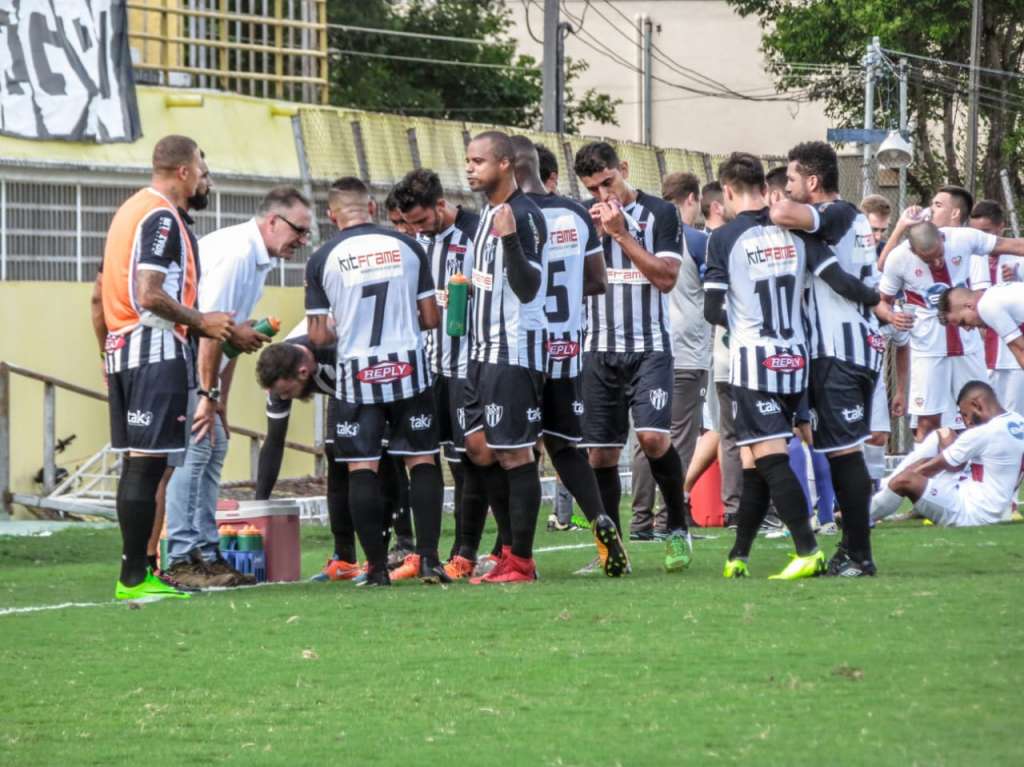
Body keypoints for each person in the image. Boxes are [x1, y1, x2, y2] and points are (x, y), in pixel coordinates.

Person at [705, 152, 881, 580]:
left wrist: (743, 323)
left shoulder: (725, 237)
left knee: (769, 459)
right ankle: (739, 553)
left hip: (754, 359)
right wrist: (881, 303)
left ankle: (807, 547)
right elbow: (836, 277)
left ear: (727, 191)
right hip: (799, 360)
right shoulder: (794, 232)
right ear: (766, 190)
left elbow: (713, 308)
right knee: (756, 460)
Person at [769, 140, 912, 576]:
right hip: (838, 351)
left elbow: (781, 214)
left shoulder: (836, 213)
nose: (786, 188)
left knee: (846, 454)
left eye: (791, 179)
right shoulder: (838, 223)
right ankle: (849, 548)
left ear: (812, 181)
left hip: (843, 352)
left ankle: (860, 554)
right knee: (837, 452)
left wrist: (778, 207)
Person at [101, 134, 234, 600]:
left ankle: (139, 571)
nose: (204, 178)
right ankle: (134, 577)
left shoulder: (131, 209)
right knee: (147, 468)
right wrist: (204, 321)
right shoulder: (161, 216)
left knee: (145, 466)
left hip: (125, 349)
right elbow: (149, 293)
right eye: (201, 169)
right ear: (183, 171)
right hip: (152, 349)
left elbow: (103, 295)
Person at [163, 186, 313, 589]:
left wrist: (221, 404)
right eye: (299, 231)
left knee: (215, 444)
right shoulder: (237, 255)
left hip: (204, 374)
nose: (303, 241)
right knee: (194, 450)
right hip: (185, 366)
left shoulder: (256, 261)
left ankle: (208, 555)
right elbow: (209, 333)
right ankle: (180, 558)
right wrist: (205, 397)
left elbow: (226, 340)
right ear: (273, 222)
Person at [305, 176, 445, 587]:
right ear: (372, 209)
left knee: (361, 466)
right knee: (421, 459)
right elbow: (432, 319)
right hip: (409, 366)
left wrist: (344, 325)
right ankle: (431, 560)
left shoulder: (322, 258)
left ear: (332, 216)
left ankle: (377, 570)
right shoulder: (409, 247)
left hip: (356, 374)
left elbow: (317, 337)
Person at [509, 135, 627, 577]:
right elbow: (597, 282)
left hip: (521, 348)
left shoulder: (510, 215)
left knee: (515, 451)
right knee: (564, 446)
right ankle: (602, 523)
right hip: (568, 346)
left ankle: (514, 554)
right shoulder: (577, 213)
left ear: (508, 167)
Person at [573, 141, 694, 573]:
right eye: (594, 188)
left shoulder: (660, 214)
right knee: (600, 456)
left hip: (649, 349)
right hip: (598, 350)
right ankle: (612, 550)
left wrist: (621, 234)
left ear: (623, 169)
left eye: (609, 181)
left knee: (652, 439)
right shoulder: (581, 220)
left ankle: (678, 527)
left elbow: (665, 279)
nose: (603, 195)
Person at [461, 131, 549, 584]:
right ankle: (507, 548)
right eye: (468, 160)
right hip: (479, 351)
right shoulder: (485, 216)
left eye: (479, 161)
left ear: (504, 165)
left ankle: (522, 561)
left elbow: (530, 287)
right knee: (480, 450)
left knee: (515, 454)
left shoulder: (525, 215)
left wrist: (512, 241)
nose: (470, 167)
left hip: (513, 352)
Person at [391, 168, 485, 580]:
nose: (415, 231)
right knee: (440, 458)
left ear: (441, 206)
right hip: (432, 368)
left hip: (472, 366)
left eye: (421, 222)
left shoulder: (477, 235)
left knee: (473, 462)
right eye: (407, 224)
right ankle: (428, 552)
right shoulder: (417, 245)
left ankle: (469, 549)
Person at [878, 220, 1024, 441]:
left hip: (968, 345)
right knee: (927, 422)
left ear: (942, 238)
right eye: (928, 259)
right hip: (928, 346)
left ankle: (979, 472)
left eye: (940, 254)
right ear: (912, 250)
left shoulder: (963, 238)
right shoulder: (898, 258)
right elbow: (881, 301)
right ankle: (930, 475)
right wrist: (892, 316)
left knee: (982, 412)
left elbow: (1015, 245)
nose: (937, 262)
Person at [630, 170, 710, 540]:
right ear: (691, 199)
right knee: (678, 439)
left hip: (644, 347)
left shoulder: (639, 232)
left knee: (645, 439)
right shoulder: (695, 240)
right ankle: (668, 519)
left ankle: (640, 521)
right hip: (686, 352)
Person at [871, 381, 1024, 527]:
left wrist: (898, 482)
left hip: (971, 513)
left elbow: (934, 469)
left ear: (977, 405)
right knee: (934, 451)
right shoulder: (1018, 421)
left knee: (905, 480)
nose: (966, 422)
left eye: (965, 414)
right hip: (997, 508)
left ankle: (860, 515)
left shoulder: (984, 432)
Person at [700, 180, 742, 526]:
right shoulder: (729, 242)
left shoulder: (717, 242)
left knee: (728, 433)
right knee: (742, 433)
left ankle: (735, 508)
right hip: (740, 354)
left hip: (725, 356)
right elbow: (711, 307)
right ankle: (743, 508)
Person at [940, 283, 1024, 411]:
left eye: (963, 322)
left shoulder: (986, 307)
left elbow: (1021, 349)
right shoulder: (994, 295)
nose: (967, 329)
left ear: (969, 306)